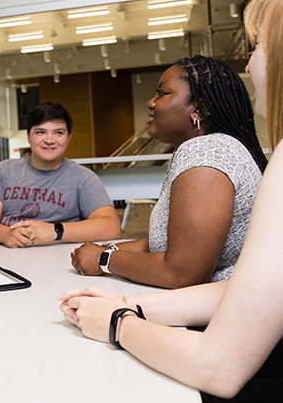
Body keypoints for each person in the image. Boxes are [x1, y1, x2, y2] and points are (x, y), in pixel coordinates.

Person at [59, 0, 283, 402]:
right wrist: (131, 306)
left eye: (258, 46)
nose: (249, 63)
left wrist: (115, 323)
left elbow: (218, 366)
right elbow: (249, 291)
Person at [71, 56, 267, 288]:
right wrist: (106, 249)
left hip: (218, 313)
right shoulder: (205, 148)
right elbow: (164, 243)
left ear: (199, 109)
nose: (150, 102)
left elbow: (182, 274)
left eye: (162, 94)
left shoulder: (204, 156)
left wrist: (104, 260)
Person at [0, 102, 122, 248]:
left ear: (68, 138)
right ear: (28, 137)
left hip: (58, 259)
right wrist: (5, 234)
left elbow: (112, 227)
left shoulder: (83, 178)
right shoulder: (4, 171)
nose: (49, 140)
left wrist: (54, 231)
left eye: (58, 132)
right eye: (40, 132)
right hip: (7, 254)